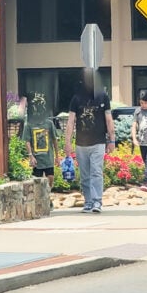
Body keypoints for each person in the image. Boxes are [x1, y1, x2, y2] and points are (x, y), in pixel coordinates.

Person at [64, 70, 115, 213]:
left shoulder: (103, 97)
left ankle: (97, 201)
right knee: (85, 174)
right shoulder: (76, 99)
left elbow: (108, 119)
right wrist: (67, 142)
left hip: (98, 142)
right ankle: (88, 201)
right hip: (81, 143)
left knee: (96, 172)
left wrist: (112, 140)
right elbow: (70, 121)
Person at [23, 94, 59, 190]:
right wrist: (31, 156)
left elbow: (55, 140)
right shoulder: (29, 124)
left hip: (48, 157)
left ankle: (48, 195)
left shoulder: (49, 123)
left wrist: (57, 157)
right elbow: (27, 141)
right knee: (37, 182)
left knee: (50, 177)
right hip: (37, 159)